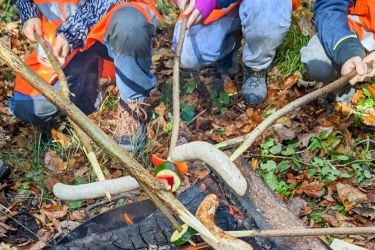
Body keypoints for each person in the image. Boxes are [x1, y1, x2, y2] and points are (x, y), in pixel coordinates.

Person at [10, 0, 161, 150]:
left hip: (112, 27)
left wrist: (72, 32)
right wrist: (29, 12)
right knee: (28, 105)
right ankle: (86, 90)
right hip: (61, 43)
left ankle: (132, 107)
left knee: (130, 26)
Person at [172, 0, 300, 106]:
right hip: (218, 8)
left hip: (265, 5)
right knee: (188, 53)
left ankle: (256, 65)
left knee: (266, 20)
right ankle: (230, 42)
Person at [301, 0, 375, 103]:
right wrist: (345, 49)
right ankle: (341, 89)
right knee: (317, 60)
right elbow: (329, 6)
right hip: (349, 37)